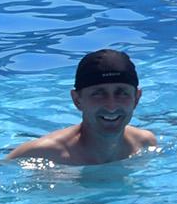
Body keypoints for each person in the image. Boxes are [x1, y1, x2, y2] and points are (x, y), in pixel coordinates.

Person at [8, 49, 158, 166]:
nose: (111, 106)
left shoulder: (145, 143)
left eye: (122, 93)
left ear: (136, 98)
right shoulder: (42, 154)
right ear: (77, 100)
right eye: (98, 94)